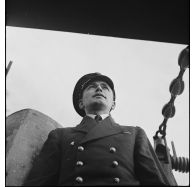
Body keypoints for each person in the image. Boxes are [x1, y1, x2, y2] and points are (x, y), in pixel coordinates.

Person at [23, 72, 171, 186]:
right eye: (92, 87)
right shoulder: (60, 136)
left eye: (105, 88)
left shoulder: (134, 134)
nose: (99, 88)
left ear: (113, 104)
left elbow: (155, 181)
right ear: (81, 103)